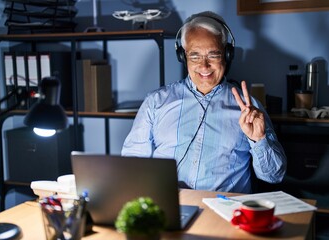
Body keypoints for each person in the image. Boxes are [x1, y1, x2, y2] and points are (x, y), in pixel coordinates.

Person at [121, 11, 286, 193]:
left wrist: (259, 139)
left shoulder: (249, 109)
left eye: (213, 55)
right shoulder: (156, 102)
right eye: (195, 55)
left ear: (227, 55)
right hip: (171, 208)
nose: (204, 65)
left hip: (225, 213)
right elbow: (132, 164)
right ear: (183, 56)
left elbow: (274, 176)